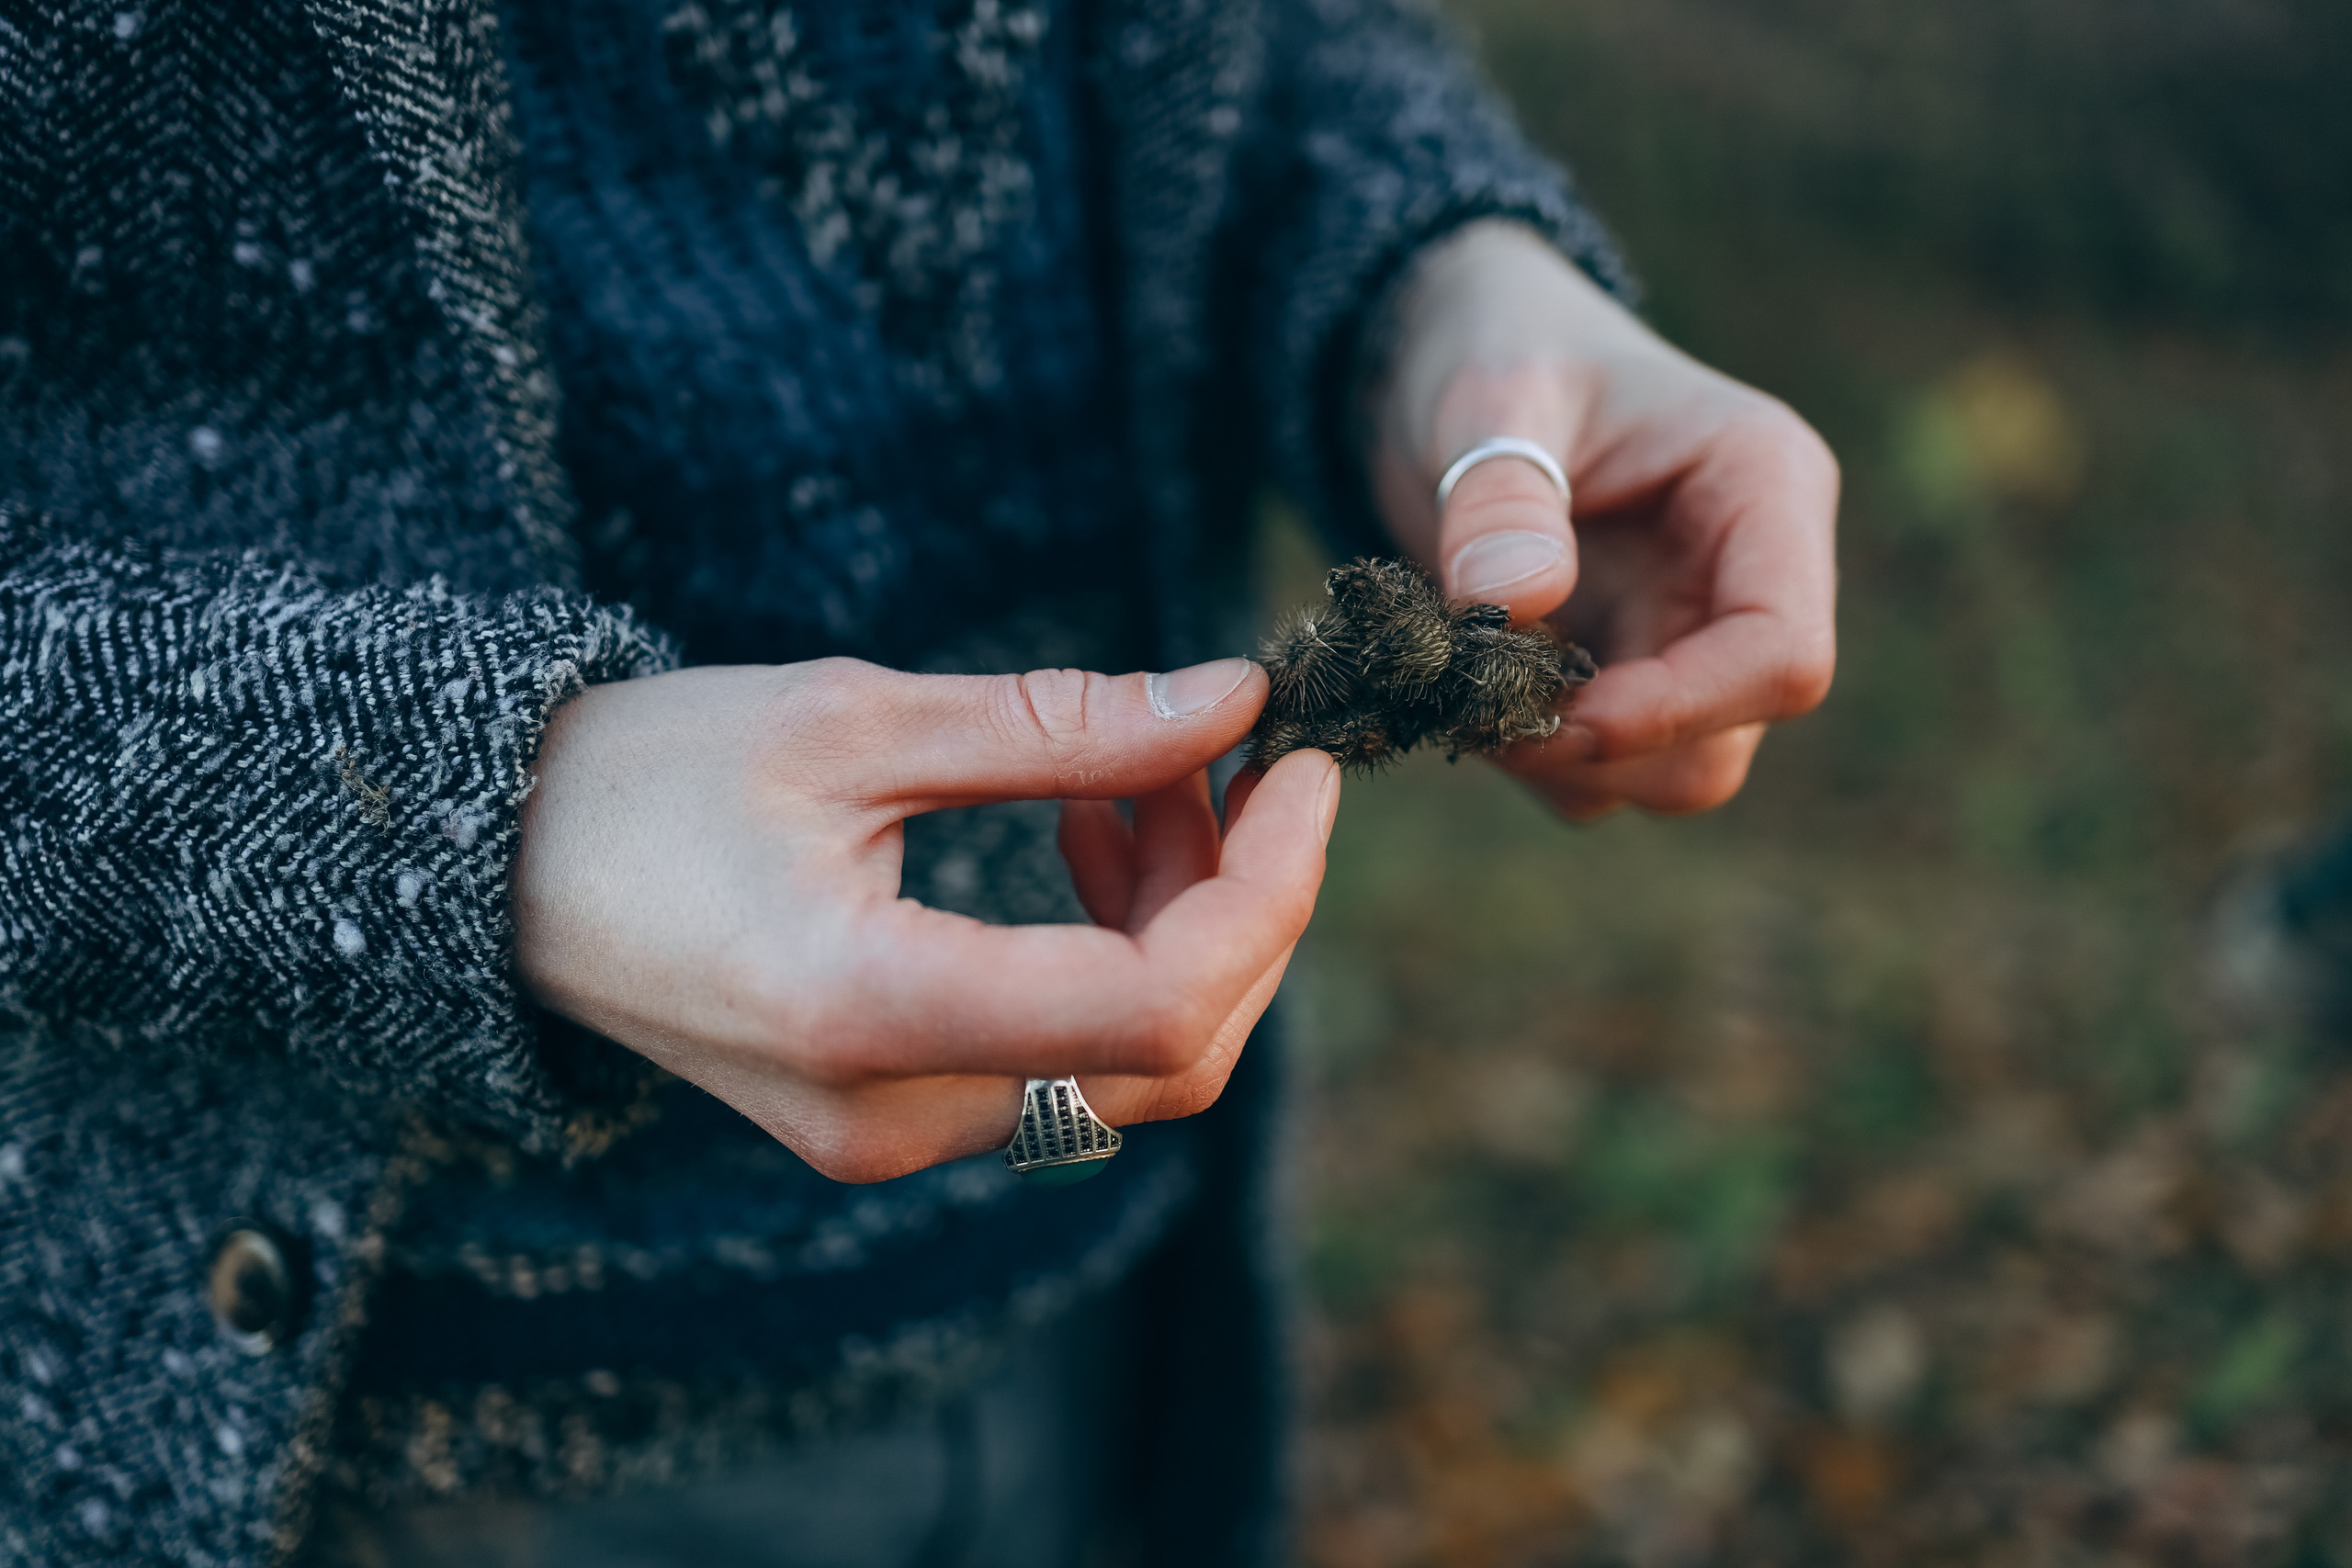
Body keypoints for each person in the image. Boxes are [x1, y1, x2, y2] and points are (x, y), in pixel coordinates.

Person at [0, 0, 1836, 1562]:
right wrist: (471, 810)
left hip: (1110, 1298)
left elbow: (1254, 54)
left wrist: (1434, 282)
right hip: (404, 1416)